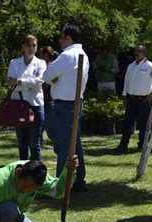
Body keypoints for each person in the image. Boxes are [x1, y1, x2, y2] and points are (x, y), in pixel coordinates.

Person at [43, 24, 90, 192]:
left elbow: (46, 76)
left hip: (65, 106)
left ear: (68, 38)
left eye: (61, 37)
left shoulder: (66, 55)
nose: (59, 40)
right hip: (77, 103)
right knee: (75, 144)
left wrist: (55, 79)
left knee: (63, 146)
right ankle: (78, 181)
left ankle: (62, 185)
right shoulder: (82, 54)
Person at [115, 45, 152, 153]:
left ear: (144, 53)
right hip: (131, 99)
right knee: (127, 123)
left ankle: (142, 146)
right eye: (135, 51)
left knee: (144, 124)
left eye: (139, 51)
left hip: (144, 100)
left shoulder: (150, 66)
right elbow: (126, 81)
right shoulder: (131, 66)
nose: (136, 53)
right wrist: (124, 94)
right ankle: (123, 146)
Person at [8, 35, 46, 161]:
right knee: (22, 144)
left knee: (34, 144)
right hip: (19, 106)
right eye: (28, 45)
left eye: (34, 45)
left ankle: (36, 173)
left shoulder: (41, 63)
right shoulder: (14, 63)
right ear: (23, 47)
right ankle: (24, 173)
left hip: (35, 106)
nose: (31, 48)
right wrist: (29, 84)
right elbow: (10, 82)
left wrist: (19, 81)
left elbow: (39, 83)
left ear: (37, 48)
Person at [38, 46, 59, 141]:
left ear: (46, 56)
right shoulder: (49, 66)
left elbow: (45, 85)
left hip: (47, 101)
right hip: (44, 101)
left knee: (51, 130)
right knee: (39, 127)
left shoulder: (49, 67)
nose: (38, 57)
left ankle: (61, 148)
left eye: (40, 55)